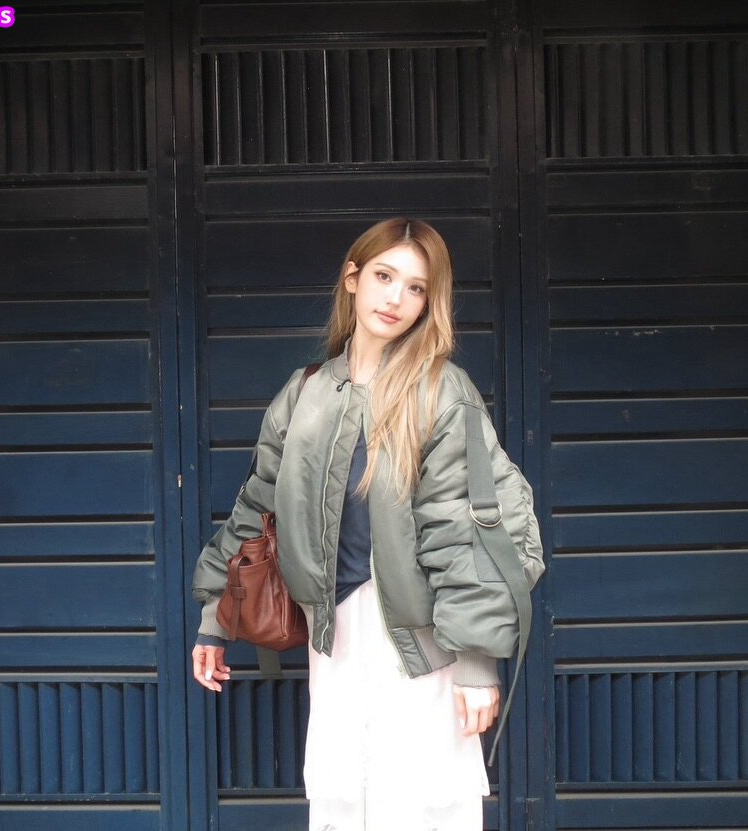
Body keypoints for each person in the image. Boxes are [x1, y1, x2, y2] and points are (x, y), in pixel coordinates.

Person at [191, 217, 546, 830]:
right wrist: (214, 620)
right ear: (353, 279)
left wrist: (476, 662)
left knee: (424, 808)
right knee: (342, 804)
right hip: (334, 638)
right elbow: (257, 510)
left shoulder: (442, 392)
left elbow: (467, 530)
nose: (395, 298)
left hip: (423, 644)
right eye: (384, 276)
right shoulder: (305, 393)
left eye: (416, 287)